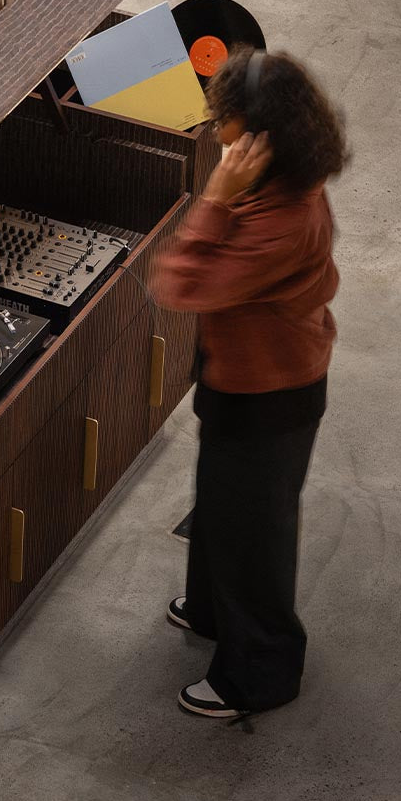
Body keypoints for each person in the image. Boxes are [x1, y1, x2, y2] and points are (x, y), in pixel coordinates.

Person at [151, 45, 349, 719]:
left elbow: (180, 284)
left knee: (253, 535)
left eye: (221, 119)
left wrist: (213, 200)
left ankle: (259, 674)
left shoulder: (281, 220)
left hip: (271, 396)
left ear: (258, 134)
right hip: (245, 378)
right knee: (221, 510)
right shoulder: (284, 178)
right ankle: (211, 612)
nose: (214, 131)